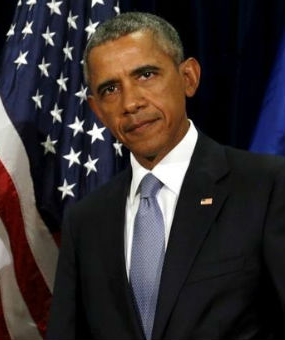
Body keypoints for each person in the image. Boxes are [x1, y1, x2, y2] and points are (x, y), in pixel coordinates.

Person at [47, 12, 285, 339]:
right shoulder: (85, 221)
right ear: (97, 111)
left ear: (188, 77)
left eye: (146, 74)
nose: (130, 102)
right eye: (110, 89)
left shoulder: (266, 186)